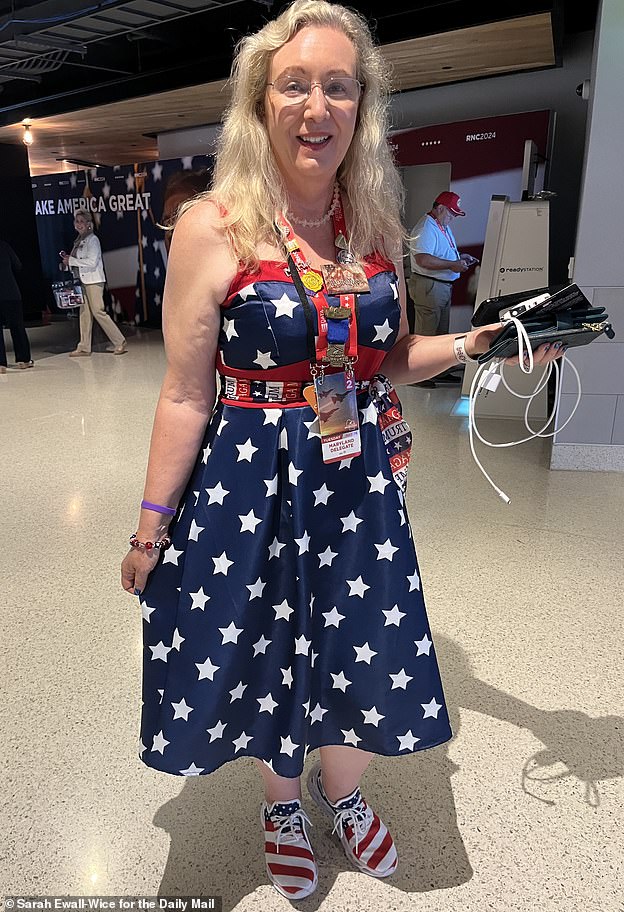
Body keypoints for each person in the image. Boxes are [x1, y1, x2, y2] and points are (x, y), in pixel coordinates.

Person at [120, 0, 564, 899]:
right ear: (259, 104)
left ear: (361, 108)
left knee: (360, 636)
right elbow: (183, 390)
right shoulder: (214, 226)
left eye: (337, 87)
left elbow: (388, 355)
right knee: (266, 643)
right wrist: (150, 527)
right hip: (249, 480)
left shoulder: (372, 224)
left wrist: (481, 343)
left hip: (353, 475)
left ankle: (345, 793)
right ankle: (282, 804)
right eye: (294, 85)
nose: (316, 106)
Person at [407, 191, 478, 386]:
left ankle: (436, 371)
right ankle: (418, 375)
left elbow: (438, 254)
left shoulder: (439, 225)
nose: (453, 217)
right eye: (452, 213)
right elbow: (423, 259)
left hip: (440, 286)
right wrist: (451, 265)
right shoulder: (425, 228)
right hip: (429, 286)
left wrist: (459, 259)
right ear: (440, 208)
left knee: (439, 334)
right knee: (426, 334)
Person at [60, 210, 127, 357]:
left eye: (82, 221)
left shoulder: (93, 240)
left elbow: (91, 262)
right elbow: (76, 262)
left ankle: (119, 341)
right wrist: (67, 263)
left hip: (93, 281)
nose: (78, 224)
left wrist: (71, 260)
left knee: (98, 311)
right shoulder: (78, 241)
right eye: (76, 221)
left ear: (89, 224)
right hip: (81, 281)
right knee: (84, 314)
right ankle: (84, 346)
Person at [0, 238, 33, 372]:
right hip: (11, 292)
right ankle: (23, 360)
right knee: (17, 327)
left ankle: (1, 364)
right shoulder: (4, 245)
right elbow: (17, 265)